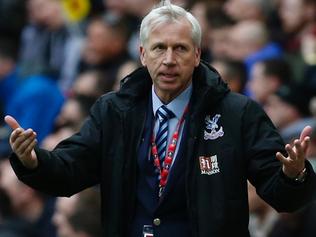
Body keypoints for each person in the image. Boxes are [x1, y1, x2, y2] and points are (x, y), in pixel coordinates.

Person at [3, 1, 316, 237]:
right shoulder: (114, 111)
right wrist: (32, 161)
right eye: (159, 48)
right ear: (142, 54)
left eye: (180, 48)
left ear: (197, 55)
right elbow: (71, 170)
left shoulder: (237, 113)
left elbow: (282, 196)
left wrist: (295, 175)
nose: (169, 60)